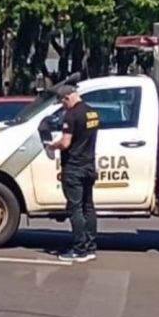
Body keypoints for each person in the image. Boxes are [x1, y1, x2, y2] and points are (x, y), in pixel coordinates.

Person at [44, 84, 100, 262]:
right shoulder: (92, 112)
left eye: (63, 102)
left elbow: (66, 143)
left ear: (67, 97)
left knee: (75, 208)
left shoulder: (71, 115)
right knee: (88, 207)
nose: (63, 105)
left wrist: (53, 145)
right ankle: (90, 247)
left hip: (74, 167)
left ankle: (79, 249)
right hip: (89, 166)